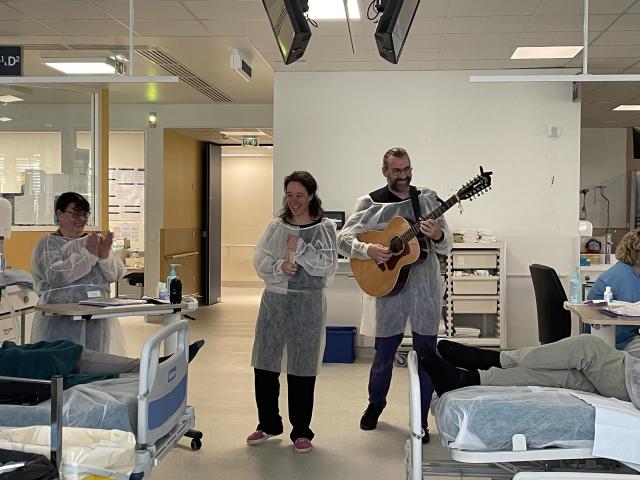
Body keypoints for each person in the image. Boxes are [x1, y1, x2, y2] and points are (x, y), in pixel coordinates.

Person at [336, 147, 452, 443]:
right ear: (385, 171)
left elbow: (446, 244)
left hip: (425, 291)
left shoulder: (426, 199)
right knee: (384, 354)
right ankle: (375, 404)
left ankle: (421, 419)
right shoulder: (370, 202)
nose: (403, 175)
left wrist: (437, 235)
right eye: (397, 170)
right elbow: (342, 239)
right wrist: (368, 249)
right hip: (388, 288)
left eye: (407, 169)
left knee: (427, 356)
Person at [246, 171, 338, 454]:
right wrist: (279, 267)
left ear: (311, 196)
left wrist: (302, 250)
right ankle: (268, 423)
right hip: (274, 303)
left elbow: (328, 264)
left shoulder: (324, 228)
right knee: (265, 365)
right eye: (289, 195)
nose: (294, 201)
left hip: (307, 305)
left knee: (302, 368)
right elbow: (260, 259)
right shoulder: (276, 226)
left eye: (300, 195)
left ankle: (301, 431)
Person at [417, 336, 640, 410]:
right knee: (560, 376)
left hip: (632, 384)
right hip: (631, 373)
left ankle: (493, 359)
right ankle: (466, 379)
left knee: (588, 347)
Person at [31, 192, 127, 354]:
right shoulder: (48, 244)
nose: (81, 219)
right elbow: (56, 276)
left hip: (96, 317)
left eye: (85, 214)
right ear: (59, 214)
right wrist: (87, 256)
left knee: (95, 361)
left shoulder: (95, 241)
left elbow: (113, 275)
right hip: (60, 318)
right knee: (63, 360)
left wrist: (104, 257)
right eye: (76, 214)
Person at [0, 338, 205, 405]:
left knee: (65, 350)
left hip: (45, 359)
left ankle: (148, 366)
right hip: (30, 369)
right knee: (46, 359)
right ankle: (148, 367)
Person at [586, 229, 640, 351]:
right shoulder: (626, 277)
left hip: (613, 335)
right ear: (636, 255)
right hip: (615, 339)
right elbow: (634, 315)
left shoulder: (625, 270)